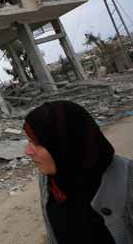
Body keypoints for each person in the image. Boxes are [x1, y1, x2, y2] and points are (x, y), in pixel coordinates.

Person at [23, 101, 133, 244]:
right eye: (29, 141)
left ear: (66, 142)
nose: (27, 151)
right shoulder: (49, 181)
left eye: (37, 143)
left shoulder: (128, 181)